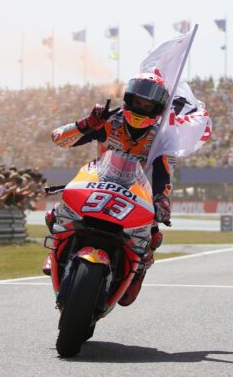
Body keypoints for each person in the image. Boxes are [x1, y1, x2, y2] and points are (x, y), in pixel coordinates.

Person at [47, 73, 175, 306]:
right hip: (98, 182)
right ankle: (55, 250)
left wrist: (162, 199)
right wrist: (84, 125)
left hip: (137, 194)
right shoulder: (108, 120)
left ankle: (137, 271)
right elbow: (58, 139)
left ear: (156, 108)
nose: (141, 108)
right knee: (55, 212)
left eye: (147, 105)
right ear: (128, 100)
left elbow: (164, 174)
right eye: (138, 102)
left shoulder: (160, 138)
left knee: (153, 235)